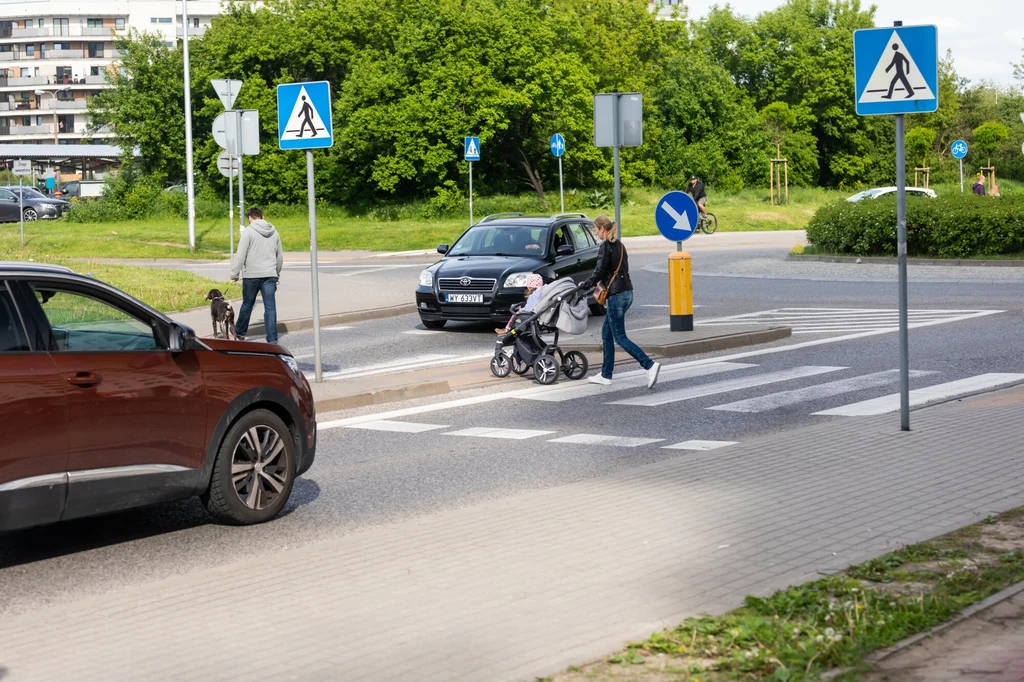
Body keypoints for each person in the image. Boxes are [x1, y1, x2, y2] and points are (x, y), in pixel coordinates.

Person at [582, 216, 660, 389]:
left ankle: (649, 365)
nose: (595, 233)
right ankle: (605, 374)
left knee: (619, 336)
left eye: (596, 229)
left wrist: (584, 285)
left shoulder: (605, 247)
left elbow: (599, 272)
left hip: (616, 296)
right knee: (607, 334)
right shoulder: (620, 246)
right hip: (627, 293)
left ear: (602, 229)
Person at [231, 207, 284, 343]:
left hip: (251, 276)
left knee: (247, 305)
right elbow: (279, 256)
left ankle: (240, 333)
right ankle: (272, 339)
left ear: (250, 218)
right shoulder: (274, 232)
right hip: (270, 275)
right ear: (262, 216)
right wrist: (277, 273)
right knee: (270, 308)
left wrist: (235, 273)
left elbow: (241, 255)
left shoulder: (248, 232)